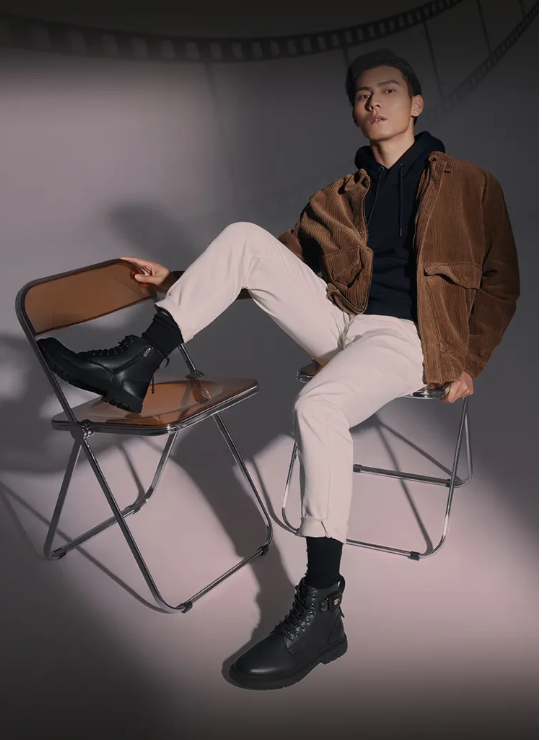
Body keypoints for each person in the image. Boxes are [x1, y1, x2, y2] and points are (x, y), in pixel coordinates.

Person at [37, 48, 520, 690]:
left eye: (388, 90)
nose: (374, 102)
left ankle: (322, 607)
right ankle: (137, 362)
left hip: (411, 338)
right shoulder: (337, 198)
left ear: (415, 104)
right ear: (355, 113)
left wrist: (470, 359)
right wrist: (176, 280)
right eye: (363, 95)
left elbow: (502, 281)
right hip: (341, 321)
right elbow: (268, 267)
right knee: (244, 237)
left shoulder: (471, 183)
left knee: (318, 405)